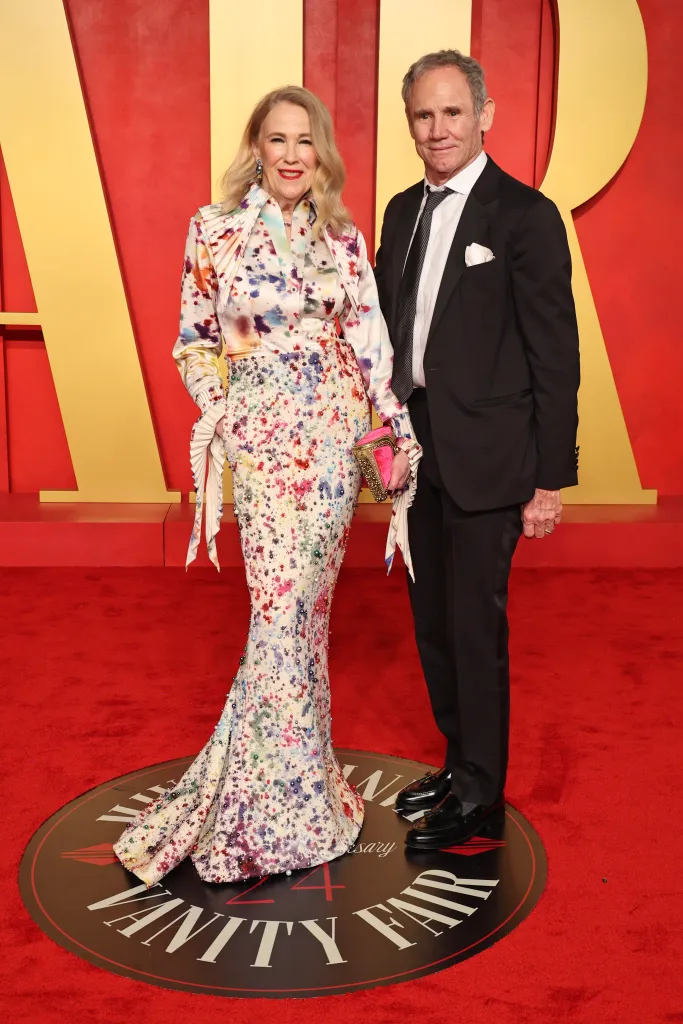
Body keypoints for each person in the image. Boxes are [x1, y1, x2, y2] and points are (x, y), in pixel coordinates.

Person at [114, 86, 420, 885]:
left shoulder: (344, 240)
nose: (290, 155)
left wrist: (391, 434)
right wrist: (227, 415)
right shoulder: (213, 230)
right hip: (259, 448)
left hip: (327, 448)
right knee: (277, 614)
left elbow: (370, 349)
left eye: (304, 140)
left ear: (321, 152)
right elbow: (192, 342)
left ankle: (301, 796)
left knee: (304, 620)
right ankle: (262, 814)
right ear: (256, 147)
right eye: (276, 139)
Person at [374, 50, 580, 849]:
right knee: (431, 622)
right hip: (413, 451)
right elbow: (387, 335)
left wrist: (548, 480)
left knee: (473, 624)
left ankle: (482, 794)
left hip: (492, 458)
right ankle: (458, 765)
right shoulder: (400, 210)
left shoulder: (523, 216)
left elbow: (553, 355)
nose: (438, 129)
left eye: (452, 112)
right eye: (424, 115)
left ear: (484, 115)